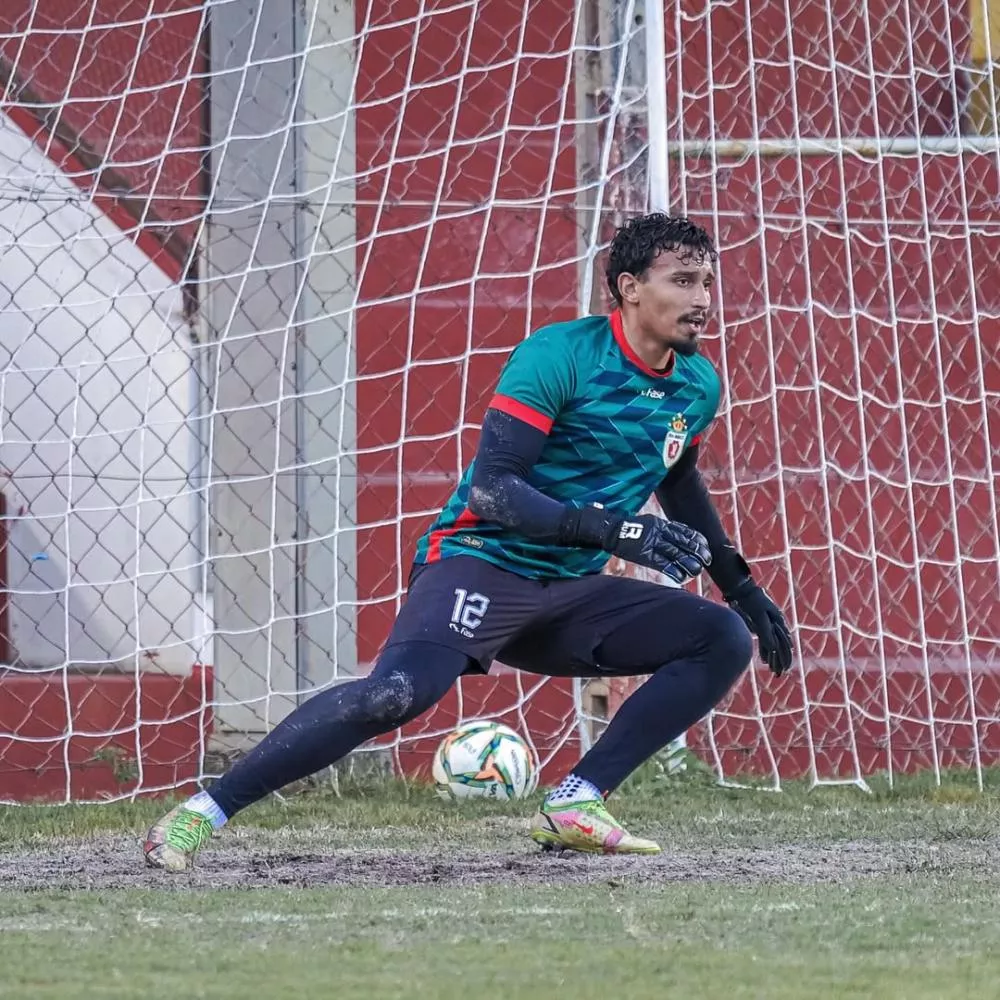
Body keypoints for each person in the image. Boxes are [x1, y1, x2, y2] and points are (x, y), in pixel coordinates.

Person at [144, 213, 793, 870]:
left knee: (721, 639)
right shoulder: (560, 355)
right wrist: (616, 529)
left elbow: (676, 472)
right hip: (479, 563)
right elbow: (494, 492)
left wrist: (740, 586)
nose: (703, 299)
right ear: (628, 287)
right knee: (392, 695)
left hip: (568, 594)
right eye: (683, 280)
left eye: (708, 280)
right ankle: (203, 812)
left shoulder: (696, 383)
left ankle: (576, 801)